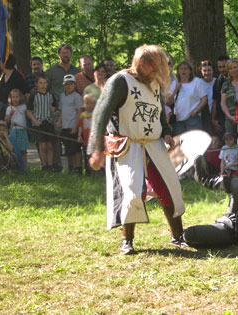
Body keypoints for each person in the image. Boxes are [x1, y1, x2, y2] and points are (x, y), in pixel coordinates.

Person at [88, 44, 185, 254]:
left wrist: (166, 131)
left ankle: (178, 236)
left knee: (170, 187)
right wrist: (95, 149)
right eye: (156, 65)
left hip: (153, 143)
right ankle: (127, 240)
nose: (160, 70)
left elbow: (159, 114)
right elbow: (100, 114)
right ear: (142, 63)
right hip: (128, 144)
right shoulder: (120, 81)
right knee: (132, 191)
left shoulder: (155, 84)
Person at [166, 60, 207, 135]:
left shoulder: (197, 81)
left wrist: (196, 111)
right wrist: (176, 89)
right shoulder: (174, 83)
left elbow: (204, 99)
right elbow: (168, 101)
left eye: (185, 69)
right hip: (179, 120)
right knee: (181, 144)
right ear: (178, 71)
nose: (183, 71)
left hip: (193, 118)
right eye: (181, 69)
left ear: (190, 71)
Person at [26, 73, 57, 171]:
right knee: (42, 146)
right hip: (38, 123)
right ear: (37, 84)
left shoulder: (50, 95)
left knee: (50, 146)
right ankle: (44, 165)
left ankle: (51, 165)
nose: (43, 85)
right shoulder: (33, 95)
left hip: (49, 123)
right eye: (40, 83)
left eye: (44, 83)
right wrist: (35, 121)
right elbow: (28, 111)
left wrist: (54, 109)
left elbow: (54, 107)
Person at [57, 74, 83, 173]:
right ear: (64, 85)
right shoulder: (62, 96)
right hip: (65, 127)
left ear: (75, 85)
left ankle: (78, 168)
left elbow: (79, 113)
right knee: (68, 149)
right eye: (67, 84)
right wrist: (59, 121)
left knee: (76, 149)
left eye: (71, 84)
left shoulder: (77, 97)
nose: (69, 86)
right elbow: (61, 110)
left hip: (73, 126)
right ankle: (70, 168)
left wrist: (76, 127)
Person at [0, 54, 29, 120]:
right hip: (2, 110)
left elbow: (26, 93)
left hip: (14, 111)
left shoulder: (17, 76)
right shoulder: (3, 76)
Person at [5, 88, 29, 169]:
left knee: (23, 150)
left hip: (22, 130)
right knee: (14, 149)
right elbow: (6, 120)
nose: (15, 99)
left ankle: (24, 167)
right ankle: (15, 166)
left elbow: (29, 114)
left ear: (20, 98)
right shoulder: (9, 108)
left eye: (17, 97)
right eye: (13, 97)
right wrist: (10, 115)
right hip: (14, 130)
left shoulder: (24, 106)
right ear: (10, 98)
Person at [78, 93, 99, 176]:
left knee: (95, 156)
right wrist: (79, 136)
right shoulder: (82, 115)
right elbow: (80, 126)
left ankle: (97, 172)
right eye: (89, 103)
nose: (91, 105)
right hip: (86, 141)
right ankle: (88, 172)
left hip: (94, 141)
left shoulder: (96, 115)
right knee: (87, 156)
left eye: (92, 103)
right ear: (84, 104)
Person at [220, 58, 238, 133]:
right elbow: (223, 103)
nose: (233, 70)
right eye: (230, 68)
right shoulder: (226, 84)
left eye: (235, 67)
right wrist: (229, 116)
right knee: (230, 142)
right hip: (230, 118)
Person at [211, 55, 229, 135]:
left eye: (224, 66)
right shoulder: (217, 82)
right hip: (221, 119)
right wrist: (213, 119)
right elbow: (214, 102)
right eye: (219, 67)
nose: (222, 69)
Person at [199, 60, 216, 134]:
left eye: (209, 70)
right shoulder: (198, 83)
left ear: (213, 71)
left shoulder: (217, 82)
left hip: (215, 115)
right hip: (202, 116)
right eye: (204, 70)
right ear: (201, 71)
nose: (207, 73)